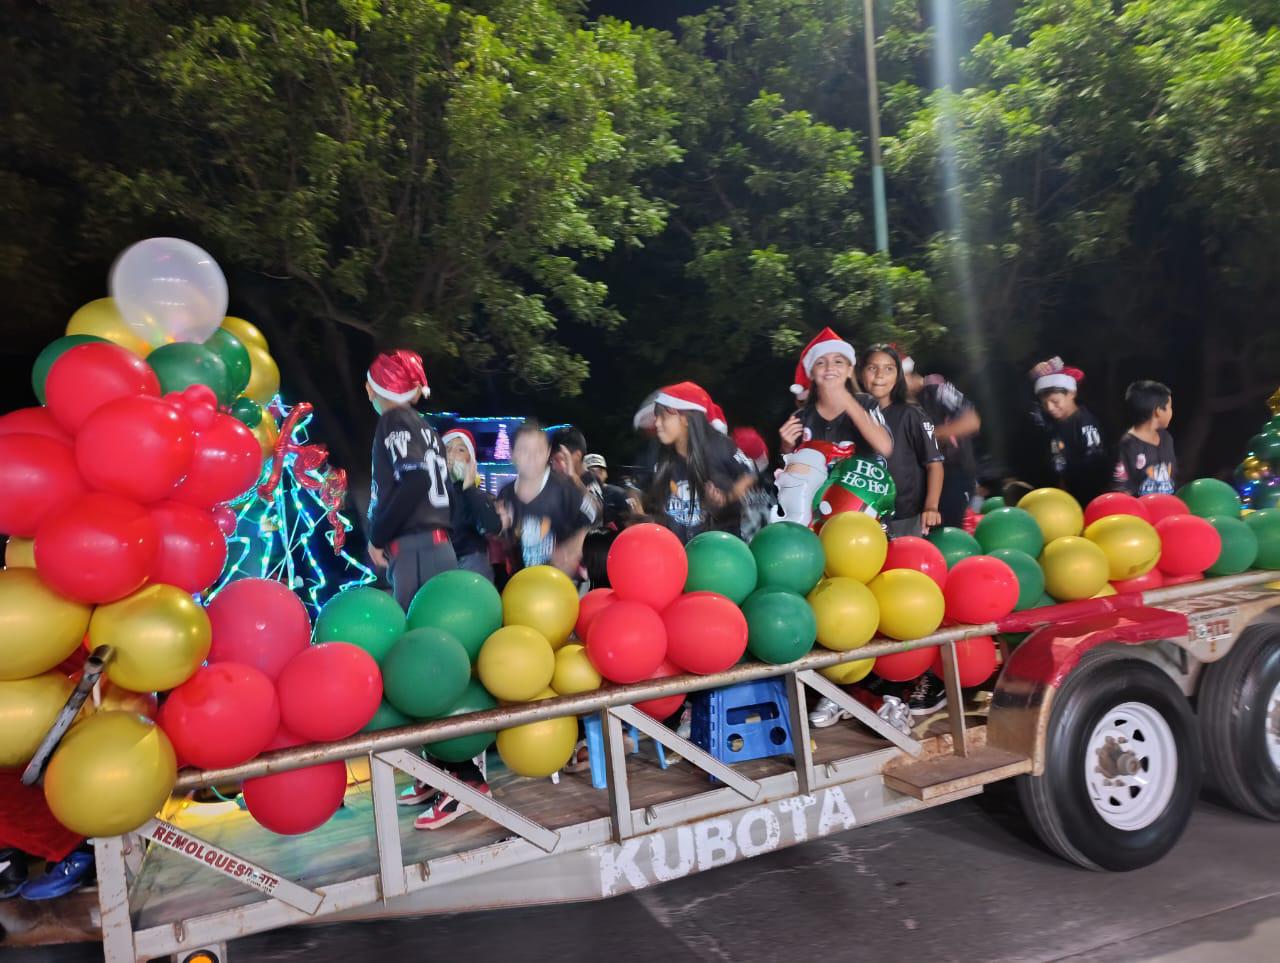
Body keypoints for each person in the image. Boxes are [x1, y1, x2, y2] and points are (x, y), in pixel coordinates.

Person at [365, 350, 455, 611]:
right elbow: (448, 491)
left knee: (416, 635)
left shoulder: (393, 419)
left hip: (415, 549)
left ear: (372, 389)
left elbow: (415, 479)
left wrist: (378, 537)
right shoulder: (428, 430)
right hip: (440, 544)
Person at [646, 382, 756, 542]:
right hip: (678, 556)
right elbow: (639, 490)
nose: (656, 423)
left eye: (664, 416)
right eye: (656, 416)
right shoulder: (659, 455)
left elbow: (750, 473)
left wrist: (728, 497)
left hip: (719, 553)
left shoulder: (720, 446)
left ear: (686, 419)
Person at [861, 345, 944, 538]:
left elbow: (934, 464)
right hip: (861, 516)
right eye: (872, 368)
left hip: (904, 517)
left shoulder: (912, 414)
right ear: (861, 372)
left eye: (889, 368)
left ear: (898, 375)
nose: (880, 375)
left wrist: (931, 507)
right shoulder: (852, 415)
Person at [497, 421, 597, 574]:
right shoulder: (506, 494)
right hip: (521, 584)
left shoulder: (565, 488)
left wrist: (574, 546)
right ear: (512, 453)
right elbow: (507, 543)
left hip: (561, 583)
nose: (532, 458)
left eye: (538, 450)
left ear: (547, 452)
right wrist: (500, 529)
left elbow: (596, 518)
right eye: (524, 450)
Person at [780, 327, 893, 460]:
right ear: (811, 373)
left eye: (838, 362)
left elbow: (884, 446)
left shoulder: (866, 403)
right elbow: (789, 472)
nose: (830, 368)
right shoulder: (801, 418)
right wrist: (786, 447)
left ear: (849, 370)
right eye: (820, 363)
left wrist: (846, 399)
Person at [905, 358, 982, 530]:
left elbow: (971, 421)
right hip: (923, 480)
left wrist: (930, 435)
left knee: (946, 535)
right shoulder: (899, 403)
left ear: (907, 375)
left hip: (954, 475)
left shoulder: (936, 389)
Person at [1029, 357, 1109, 504]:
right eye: (1045, 404)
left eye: (1055, 401)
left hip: (1084, 499)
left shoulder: (1085, 423)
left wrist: (1069, 483)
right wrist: (1033, 375)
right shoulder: (1052, 423)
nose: (1050, 408)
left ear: (1072, 393)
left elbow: (1094, 464)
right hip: (1062, 498)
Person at [442, 428, 502, 582]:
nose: (452, 454)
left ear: (470, 459)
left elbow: (492, 526)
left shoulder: (475, 493)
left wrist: (469, 488)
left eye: (460, 449)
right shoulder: (432, 490)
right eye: (447, 448)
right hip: (440, 560)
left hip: (471, 561)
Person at [1113, 380, 1177, 496]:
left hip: (1167, 509)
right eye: (1169, 407)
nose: (1171, 412)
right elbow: (1122, 488)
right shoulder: (1128, 445)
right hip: (1141, 511)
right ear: (1158, 411)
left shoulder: (1166, 439)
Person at [584, 453, 640, 528]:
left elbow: (634, 519)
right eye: (592, 471)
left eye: (600, 471)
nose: (596, 475)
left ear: (606, 474)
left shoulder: (620, 494)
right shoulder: (576, 494)